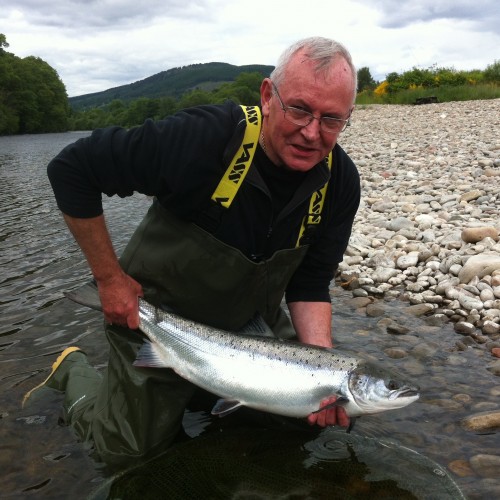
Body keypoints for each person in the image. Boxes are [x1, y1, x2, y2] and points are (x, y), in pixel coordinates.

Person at [24, 36, 360, 468]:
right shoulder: (204, 138)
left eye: (331, 119)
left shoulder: (340, 183)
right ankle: (75, 372)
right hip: (153, 320)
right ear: (267, 96)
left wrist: (323, 373)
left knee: (312, 423)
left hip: (249, 337)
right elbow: (72, 169)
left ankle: (203, 393)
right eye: (299, 109)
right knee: (126, 454)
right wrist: (110, 280)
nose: (312, 132)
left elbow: (310, 286)